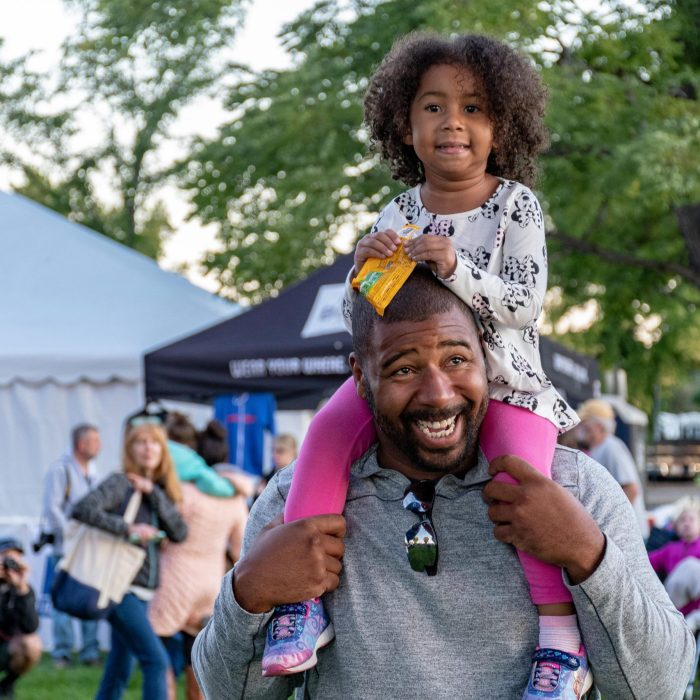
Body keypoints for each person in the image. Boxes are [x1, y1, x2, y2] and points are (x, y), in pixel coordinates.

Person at [192, 265, 695, 698]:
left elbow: (659, 688)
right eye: (404, 368)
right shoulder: (295, 499)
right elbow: (229, 693)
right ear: (361, 378)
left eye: (456, 359)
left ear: (487, 359)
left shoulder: (575, 488)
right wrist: (249, 594)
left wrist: (588, 555)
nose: (438, 393)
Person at [265, 32, 581, 696]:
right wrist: (363, 270)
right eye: (432, 108)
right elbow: (378, 313)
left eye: (472, 108)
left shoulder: (514, 205)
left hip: (504, 382)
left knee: (523, 480)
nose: (452, 123)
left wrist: (454, 266)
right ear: (405, 130)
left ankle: (559, 643)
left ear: (502, 126)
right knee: (324, 433)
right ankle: (301, 605)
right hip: (410, 375)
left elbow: (525, 303)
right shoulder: (399, 211)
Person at [71, 423, 188, 700]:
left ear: (163, 451)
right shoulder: (119, 482)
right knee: (156, 661)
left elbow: (180, 533)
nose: (148, 448)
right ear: (130, 449)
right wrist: (128, 528)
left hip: (143, 589)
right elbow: (82, 508)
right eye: (141, 442)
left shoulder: (159, 490)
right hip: (119, 586)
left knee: (120, 667)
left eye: (155, 443)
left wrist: (153, 493)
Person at [149, 418, 249, 700]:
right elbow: (241, 548)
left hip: (172, 581)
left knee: (161, 658)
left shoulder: (180, 493)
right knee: (200, 659)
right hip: (210, 584)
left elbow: (164, 536)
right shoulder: (234, 496)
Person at [40, 423, 101, 668]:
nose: (99, 446)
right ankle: (62, 652)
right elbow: (52, 509)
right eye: (94, 441)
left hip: (89, 547)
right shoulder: (60, 471)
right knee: (62, 600)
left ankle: (90, 651)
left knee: (90, 598)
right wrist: (70, 535)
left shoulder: (94, 472)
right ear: (81, 444)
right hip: (66, 547)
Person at [576, 399, 649, 539]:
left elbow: (631, 490)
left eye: (585, 423)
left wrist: (610, 525)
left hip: (628, 535)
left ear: (598, 426)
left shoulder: (611, 447)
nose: (581, 427)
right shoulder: (597, 448)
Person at [0, 538, 41, 699]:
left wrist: (22, 588)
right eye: (5, 558)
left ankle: (6, 685)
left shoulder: (22, 589)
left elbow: (30, 627)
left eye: (15, 559)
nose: (10, 564)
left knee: (32, 644)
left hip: (6, 647)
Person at [649, 506, 700, 630]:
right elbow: (644, 562)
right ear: (676, 528)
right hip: (674, 605)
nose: (686, 523)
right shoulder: (670, 548)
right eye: (682, 520)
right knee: (690, 565)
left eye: (691, 519)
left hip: (696, 607)